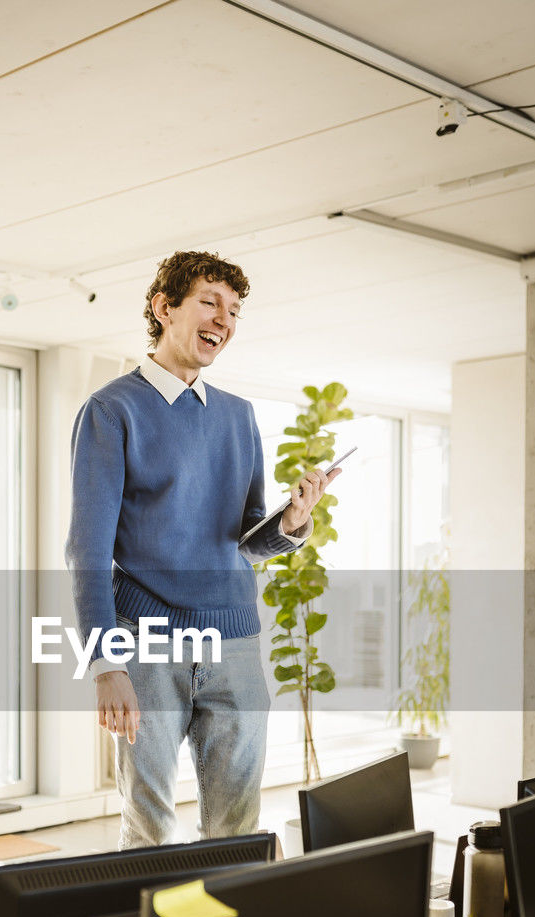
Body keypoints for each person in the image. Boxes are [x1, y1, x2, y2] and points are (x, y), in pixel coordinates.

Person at [65, 249, 338, 849]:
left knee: (237, 826)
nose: (224, 320)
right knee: (151, 823)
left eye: (234, 310)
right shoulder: (111, 411)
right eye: (210, 302)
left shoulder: (239, 417)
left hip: (235, 641)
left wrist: (291, 522)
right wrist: (105, 664)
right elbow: (85, 550)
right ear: (165, 309)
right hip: (146, 644)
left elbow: (245, 543)